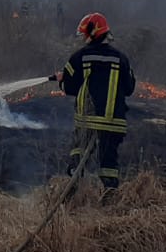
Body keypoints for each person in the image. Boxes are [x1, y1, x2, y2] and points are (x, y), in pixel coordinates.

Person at [51, 12, 136, 192]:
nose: (83, 39)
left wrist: (61, 80)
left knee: (78, 153)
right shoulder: (121, 59)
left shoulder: (80, 57)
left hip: (87, 120)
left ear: (92, 33)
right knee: (108, 162)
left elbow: (71, 88)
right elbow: (129, 88)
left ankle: (74, 193)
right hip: (114, 122)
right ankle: (109, 196)